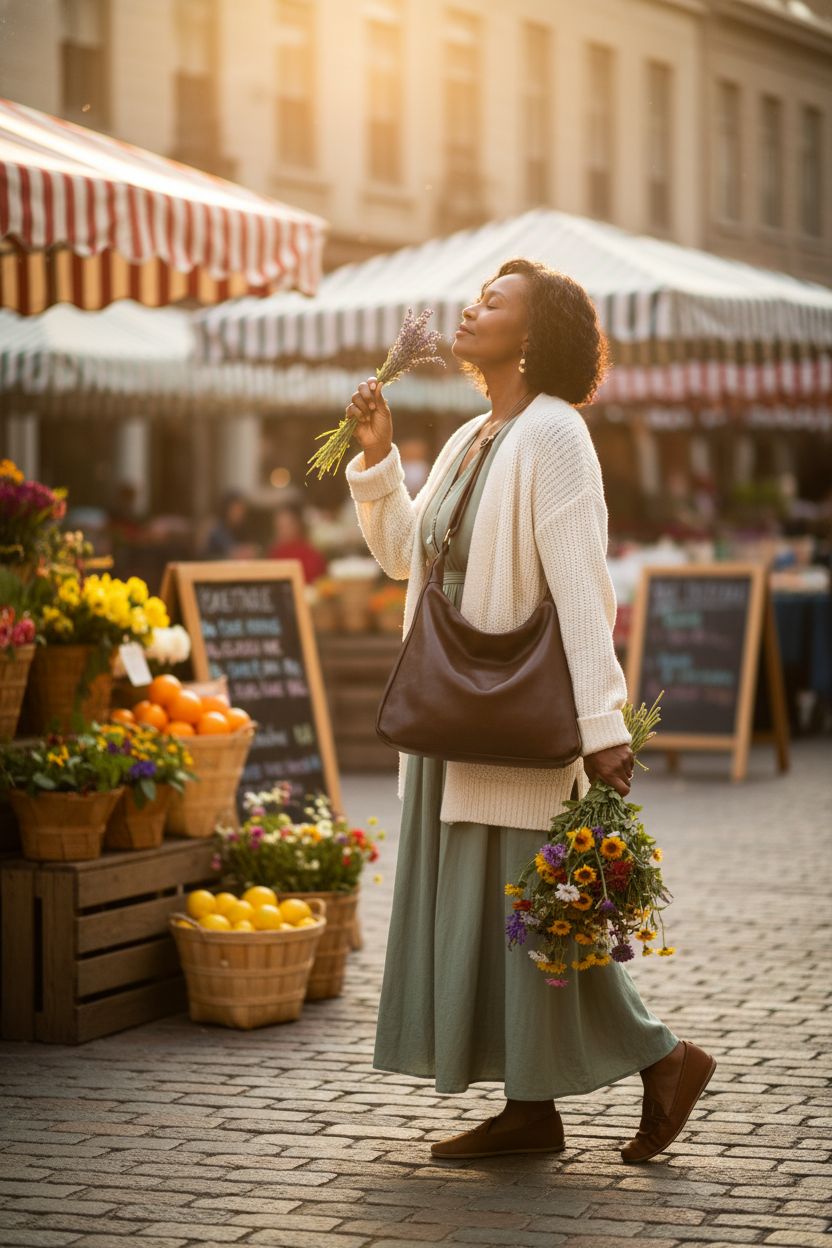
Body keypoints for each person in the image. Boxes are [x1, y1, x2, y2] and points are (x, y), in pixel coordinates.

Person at [344, 258, 716, 1163]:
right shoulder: (473, 435)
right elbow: (405, 555)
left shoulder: (555, 434)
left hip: (509, 714)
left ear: (534, 332)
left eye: (494, 301)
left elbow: (583, 585)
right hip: (453, 712)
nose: (472, 308)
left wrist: (601, 726)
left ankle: (664, 1059)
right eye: (477, 296)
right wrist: (378, 459)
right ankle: (530, 1112)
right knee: (503, 922)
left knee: (536, 916)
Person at [268, 501, 328, 584]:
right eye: (279, 526)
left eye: (287, 526)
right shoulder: (275, 552)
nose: (283, 531)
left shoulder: (310, 554)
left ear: (298, 525)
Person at [204, 491, 250, 559]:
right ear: (227, 510)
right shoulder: (217, 528)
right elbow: (231, 552)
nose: (240, 514)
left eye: (242, 510)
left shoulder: (237, 529)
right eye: (236, 509)